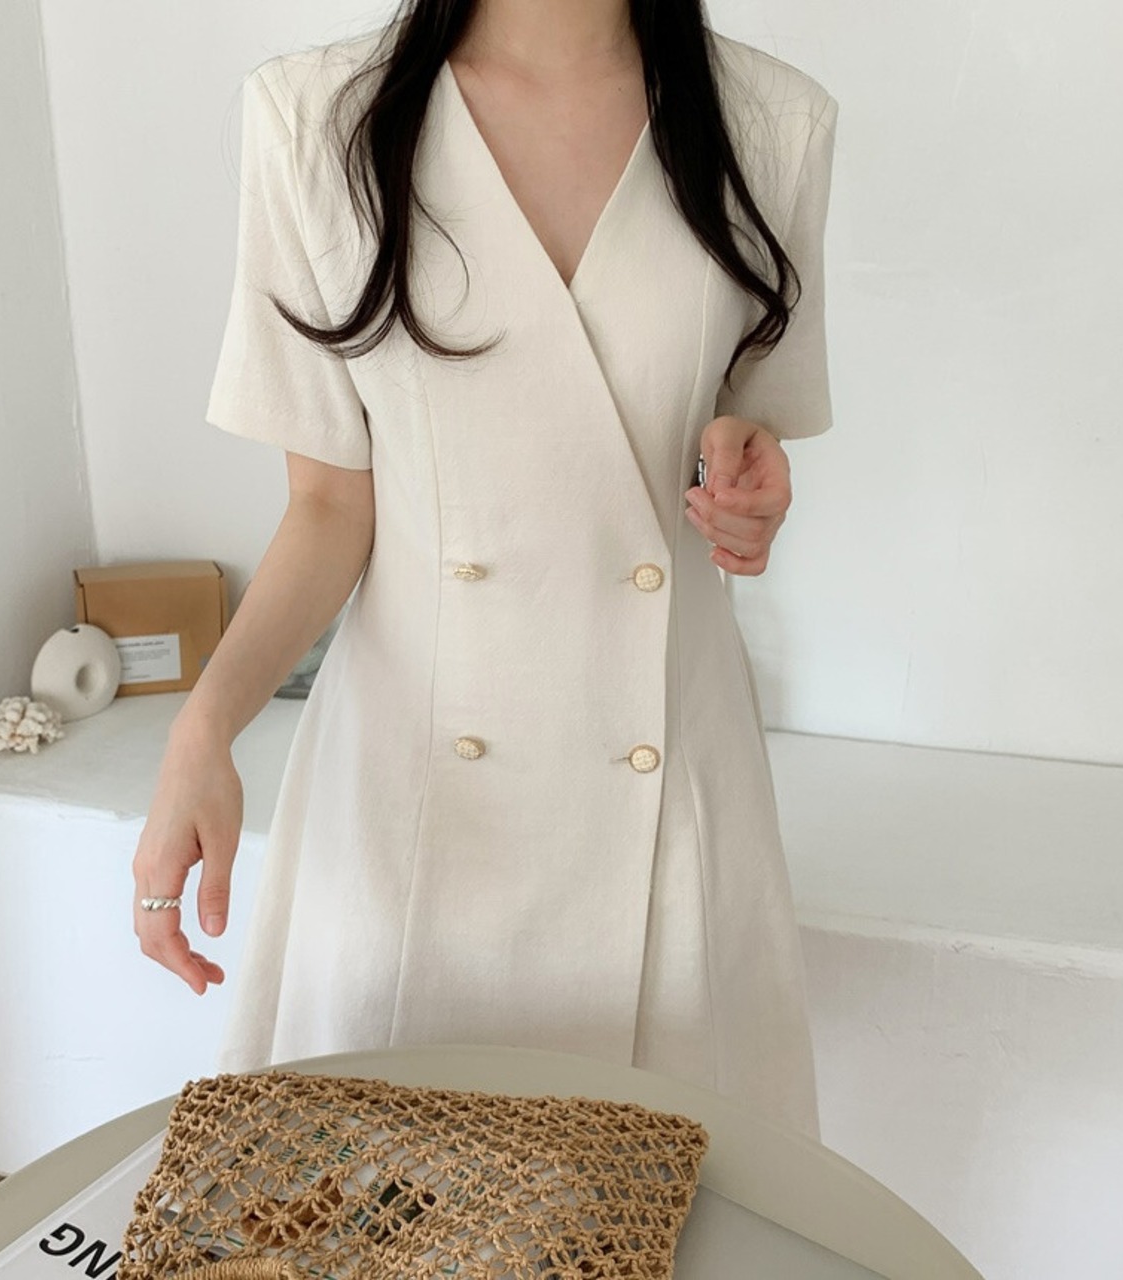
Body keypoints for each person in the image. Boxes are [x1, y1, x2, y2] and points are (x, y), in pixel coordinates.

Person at [133, 0, 838, 1141]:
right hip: (414, 789)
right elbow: (328, 504)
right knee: (383, 1194)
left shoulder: (772, 125)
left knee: (660, 1197)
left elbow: (738, 430)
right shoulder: (317, 119)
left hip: (669, 773)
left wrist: (745, 493)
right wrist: (202, 730)